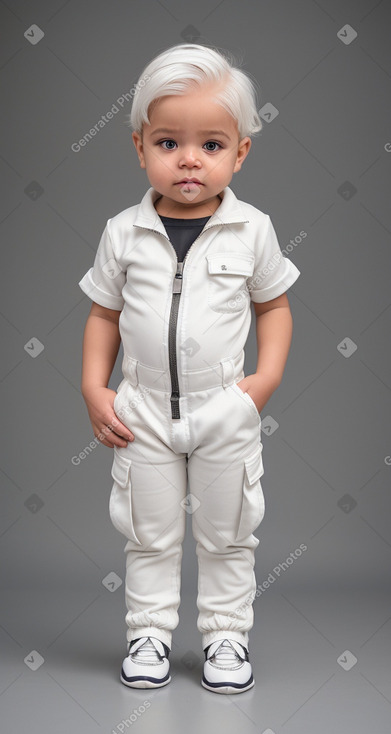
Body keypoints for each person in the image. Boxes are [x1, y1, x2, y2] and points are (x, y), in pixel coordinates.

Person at [78, 42, 300, 694]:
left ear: (240, 152)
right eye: (169, 142)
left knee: (229, 534)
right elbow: (102, 316)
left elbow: (275, 307)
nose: (188, 160)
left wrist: (263, 382)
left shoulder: (251, 229)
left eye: (210, 144)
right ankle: (147, 633)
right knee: (148, 534)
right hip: (141, 408)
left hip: (222, 406)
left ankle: (225, 639)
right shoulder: (123, 232)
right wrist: (95, 386)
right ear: (139, 145)